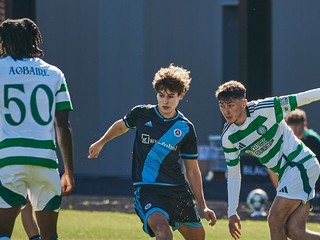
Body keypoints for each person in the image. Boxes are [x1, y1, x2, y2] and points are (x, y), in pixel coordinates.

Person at [88, 64, 217, 239]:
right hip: (148, 190)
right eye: (161, 95)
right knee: (163, 231)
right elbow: (121, 126)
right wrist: (101, 142)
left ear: (181, 95)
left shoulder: (185, 128)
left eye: (171, 96)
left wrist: (203, 206)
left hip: (178, 191)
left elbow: (193, 170)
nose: (165, 101)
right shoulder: (142, 114)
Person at [215, 80, 320, 240]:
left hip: (300, 163)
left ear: (244, 103)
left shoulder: (266, 108)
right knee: (294, 231)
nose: (226, 111)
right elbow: (234, 174)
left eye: (230, 105)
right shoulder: (229, 137)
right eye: (222, 106)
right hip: (290, 172)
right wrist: (232, 211)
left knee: (274, 219)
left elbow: (301, 98)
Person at [0, 18, 74, 240]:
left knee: (3, 233)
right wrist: (69, 170)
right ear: (34, 40)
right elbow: (63, 126)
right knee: (49, 235)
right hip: (45, 161)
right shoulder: (54, 73)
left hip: (9, 161)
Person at [269, 108, 320, 209]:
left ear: (304, 124)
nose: (294, 127)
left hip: (313, 181)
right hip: (294, 180)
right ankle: (283, 196)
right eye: (291, 124)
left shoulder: (312, 139)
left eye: (297, 123)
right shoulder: (286, 140)